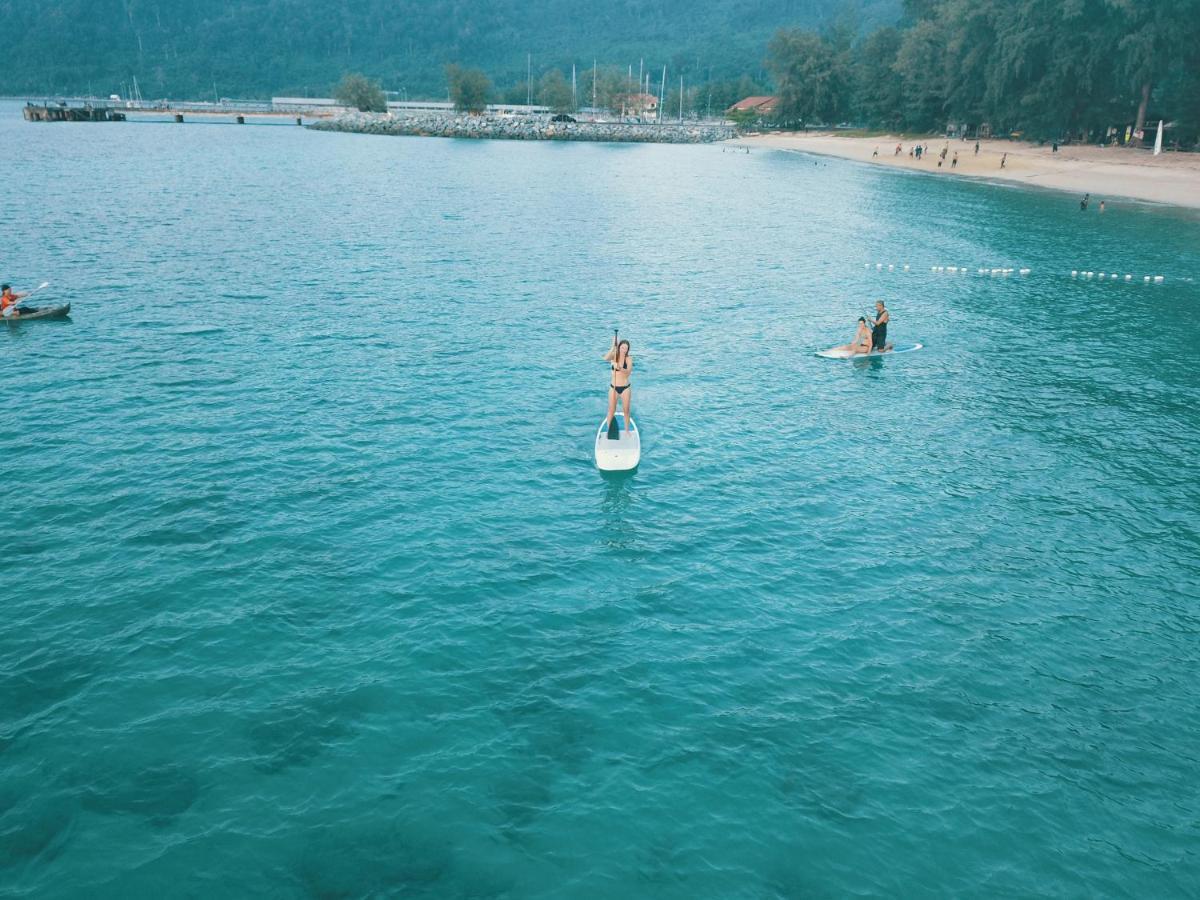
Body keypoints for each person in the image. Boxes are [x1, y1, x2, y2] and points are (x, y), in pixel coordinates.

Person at [603, 332, 634, 434]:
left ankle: (627, 431)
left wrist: (619, 367)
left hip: (625, 388)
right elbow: (605, 358)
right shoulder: (614, 356)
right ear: (619, 347)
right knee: (611, 410)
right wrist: (612, 347)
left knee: (626, 410)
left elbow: (628, 372)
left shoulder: (629, 359)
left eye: (626, 348)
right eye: (622, 347)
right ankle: (609, 431)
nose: (624, 350)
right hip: (613, 388)